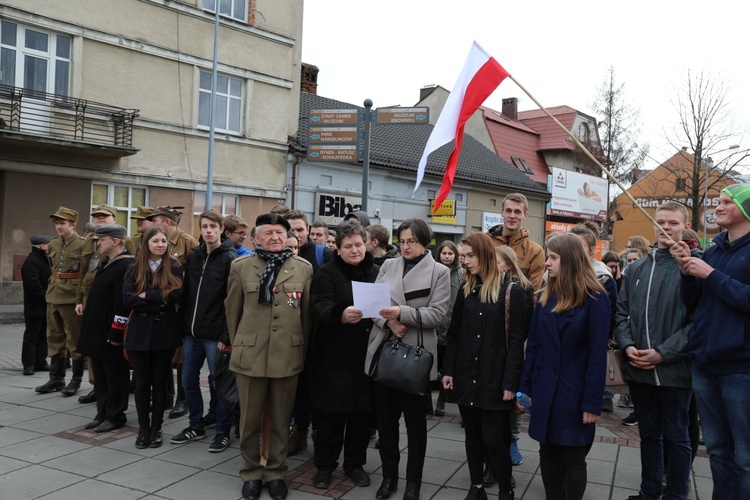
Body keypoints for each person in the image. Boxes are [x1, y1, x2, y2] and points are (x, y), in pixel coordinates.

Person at [225, 213, 313, 500]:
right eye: (269, 233)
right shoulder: (240, 267)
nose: (276, 237)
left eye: (280, 232)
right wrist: (241, 343)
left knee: (279, 419)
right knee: (249, 421)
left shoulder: (302, 269)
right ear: (256, 238)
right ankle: (251, 472)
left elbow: (306, 317)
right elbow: (232, 312)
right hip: (250, 355)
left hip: (287, 356)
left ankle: (276, 472)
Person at [670, 183, 750, 498]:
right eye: (717, 201)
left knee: (745, 457)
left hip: (741, 368)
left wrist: (710, 274)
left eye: (727, 202)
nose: (717, 207)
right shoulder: (714, 249)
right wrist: (687, 271)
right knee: (716, 450)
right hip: (705, 364)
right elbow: (696, 304)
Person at [615, 201, 697, 500]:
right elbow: (621, 314)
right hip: (639, 370)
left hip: (675, 371)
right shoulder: (636, 268)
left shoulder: (692, 265)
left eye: (673, 223)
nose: (665, 228)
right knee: (649, 436)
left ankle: (677, 494)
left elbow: (698, 322)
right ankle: (648, 492)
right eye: (660, 221)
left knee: (678, 437)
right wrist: (628, 346)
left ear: (685, 226)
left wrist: (664, 352)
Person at [364, 218, 450, 500]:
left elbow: (437, 315)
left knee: (415, 427)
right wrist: (389, 323)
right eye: (401, 241)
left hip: (415, 357)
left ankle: (414, 482)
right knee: (386, 425)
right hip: (385, 350)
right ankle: (389, 477)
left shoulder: (439, 271)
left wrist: (401, 314)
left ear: (425, 241)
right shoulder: (388, 265)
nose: (406, 246)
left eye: (411, 241)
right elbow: (371, 304)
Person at [520, 233, 610, 500]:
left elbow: (597, 355)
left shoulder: (595, 298)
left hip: (574, 392)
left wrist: (592, 403)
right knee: (546, 452)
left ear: (569, 260)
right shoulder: (546, 295)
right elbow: (533, 345)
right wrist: (524, 388)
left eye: (553, 258)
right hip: (545, 388)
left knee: (573, 456)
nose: (547, 263)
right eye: (548, 257)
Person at [442, 233, 526, 500]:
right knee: (472, 438)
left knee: (494, 440)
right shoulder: (467, 289)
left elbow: (516, 343)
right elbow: (453, 334)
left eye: (469, 256)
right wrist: (448, 371)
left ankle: (505, 490)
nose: (464, 261)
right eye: (462, 256)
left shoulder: (512, 291)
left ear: (485, 254)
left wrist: (511, 384)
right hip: (467, 375)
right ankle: (476, 487)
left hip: (495, 379)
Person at [309, 220, 379, 490]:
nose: (354, 250)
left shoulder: (376, 271)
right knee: (330, 417)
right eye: (348, 246)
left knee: (361, 416)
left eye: (358, 245)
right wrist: (339, 313)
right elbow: (319, 305)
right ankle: (324, 466)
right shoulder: (326, 273)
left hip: (366, 356)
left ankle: (355, 464)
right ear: (337, 249)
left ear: (367, 245)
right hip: (332, 356)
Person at [172, 211, 237, 453]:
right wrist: (182, 325)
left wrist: (226, 335)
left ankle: (222, 431)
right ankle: (196, 425)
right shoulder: (196, 256)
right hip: (192, 333)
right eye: (204, 226)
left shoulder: (229, 258)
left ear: (221, 229)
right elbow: (188, 293)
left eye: (213, 226)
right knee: (188, 380)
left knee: (219, 383)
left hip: (215, 334)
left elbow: (232, 300)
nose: (208, 231)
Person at [123, 226, 183, 449]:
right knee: (141, 383)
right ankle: (143, 429)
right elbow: (128, 300)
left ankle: (156, 428)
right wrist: (160, 299)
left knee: (159, 382)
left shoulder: (174, 266)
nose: (160, 244)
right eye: (155, 241)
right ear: (146, 243)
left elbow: (176, 294)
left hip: (164, 331)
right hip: (139, 331)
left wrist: (148, 294)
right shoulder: (133, 268)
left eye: (164, 241)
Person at [283, 209, 333, 456]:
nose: (296, 234)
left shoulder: (323, 254)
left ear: (308, 230)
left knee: (319, 388)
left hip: (320, 334)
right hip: (292, 334)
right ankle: (299, 432)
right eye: (290, 229)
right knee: (297, 388)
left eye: (300, 229)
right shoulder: (279, 256)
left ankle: (319, 437)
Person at [75, 224, 134, 433]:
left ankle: (116, 415)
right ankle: (102, 412)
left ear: (115, 241)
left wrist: (117, 332)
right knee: (100, 376)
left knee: (115, 376)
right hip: (97, 333)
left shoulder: (126, 265)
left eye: (101, 240)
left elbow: (123, 305)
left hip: (111, 334)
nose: (97, 243)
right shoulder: (106, 263)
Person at [146, 205, 199, 419]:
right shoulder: (158, 241)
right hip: (161, 306)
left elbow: (194, 278)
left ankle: (182, 400)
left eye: (155, 220)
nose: (151, 224)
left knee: (181, 356)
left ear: (166, 222)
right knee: (163, 351)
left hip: (181, 307)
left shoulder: (188, 242)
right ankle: (166, 395)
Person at [35, 207, 86, 395]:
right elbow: (52, 269)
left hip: (71, 297)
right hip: (53, 295)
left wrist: (80, 299)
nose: (58, 227)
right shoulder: (54, 244)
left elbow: (85, 274)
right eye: (56, 223)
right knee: (54, 337)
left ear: (72, 225)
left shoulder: (83, 244)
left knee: (74, 339)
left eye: (62, 223)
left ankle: (76, 380)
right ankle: (56, 378)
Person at [494, 244, 535, 482]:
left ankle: (512, 441)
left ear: (508, 264)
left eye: (497, 262)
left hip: (515, 350)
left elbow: (524, 326)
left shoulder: (522, 288)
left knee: (514, 401)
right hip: (493, 353)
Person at [569, 223, 618, 414]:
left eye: (579, 247)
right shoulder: (553, 274)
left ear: (591, 250)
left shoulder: (603, 278)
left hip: (586, 353)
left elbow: (609, 319)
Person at [487, 193, 545, 291]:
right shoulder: (486, 243)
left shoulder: (535, 251)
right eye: (508, 211)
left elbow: (534, 292)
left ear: (525, 215)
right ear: (502, 212)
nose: (512, 216)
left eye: (517, 212)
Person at [434, 240, 463, 417]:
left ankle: (441, 402)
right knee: (430, 368)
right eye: (444, 253)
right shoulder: (433, 272)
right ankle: (426, 402)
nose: (447, 256)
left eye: (450, 253)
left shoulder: (461, 274)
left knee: (448, 369)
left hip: (452, 330)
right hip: (435, 328)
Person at [21, 235, 52, 375]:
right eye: (48, 244)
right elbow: (33, 286)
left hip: (44, 305)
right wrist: (47, 297)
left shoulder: (43, 259)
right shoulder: (32, 262)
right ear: (42, 246)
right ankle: (28, 364)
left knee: (43, 335)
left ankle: (41, 362)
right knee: (31, 336)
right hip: (35, 306)